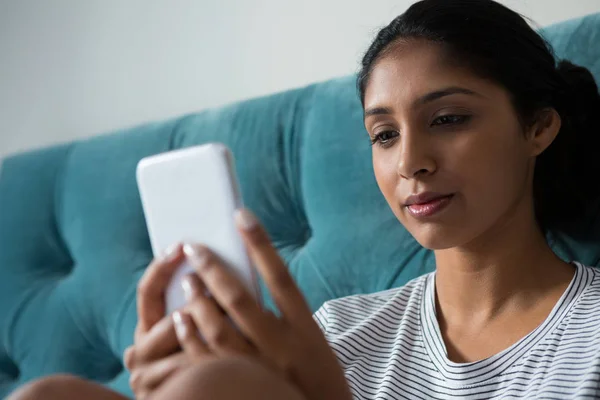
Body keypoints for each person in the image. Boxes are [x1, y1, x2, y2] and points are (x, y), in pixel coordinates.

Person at [9, 0, 600, 399]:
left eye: (448, 119)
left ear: (538, 128)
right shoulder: (339, 328)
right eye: (384, 135)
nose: (410, 162)